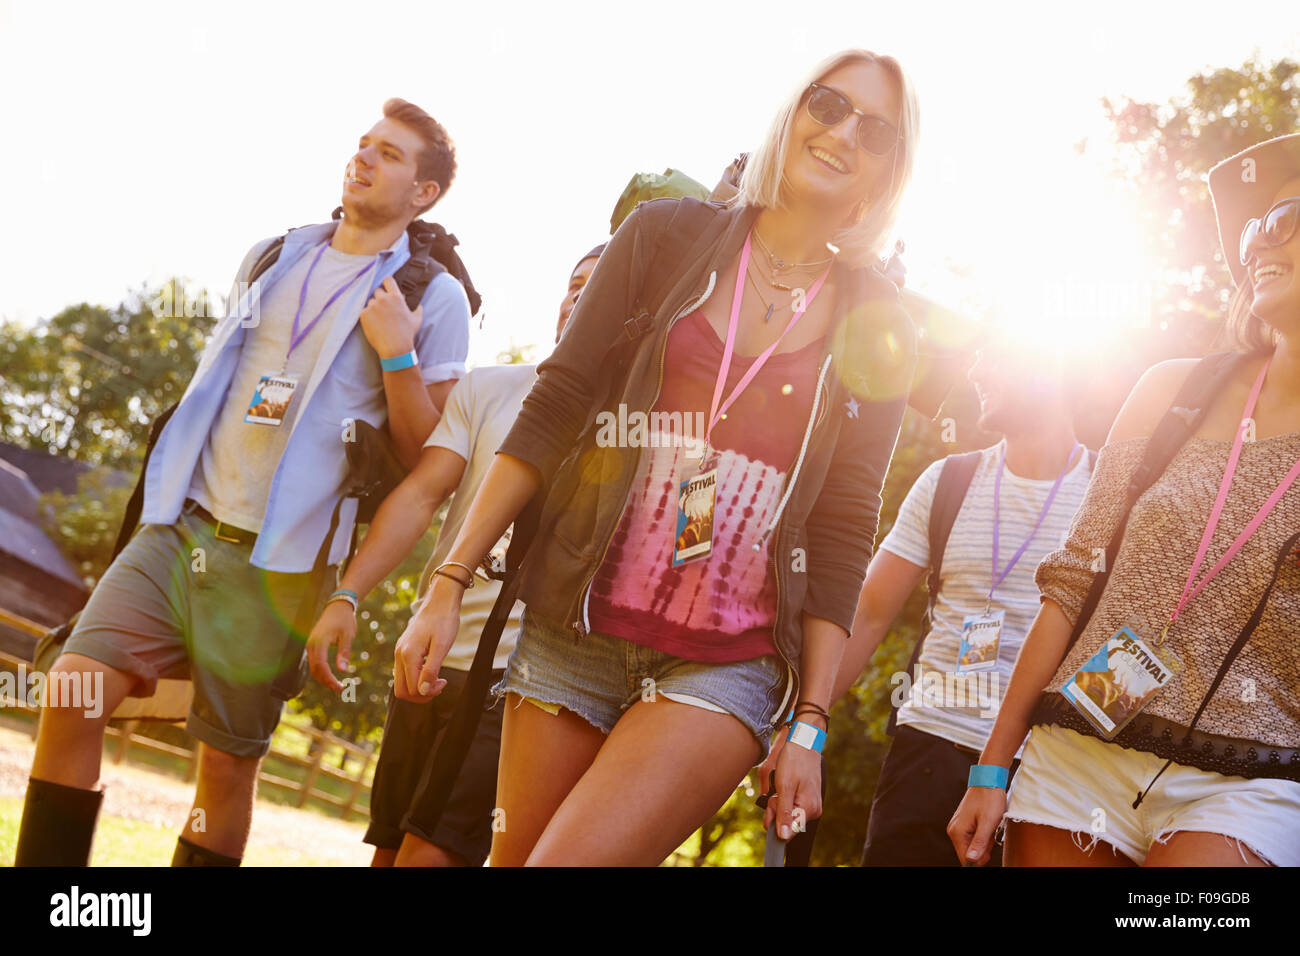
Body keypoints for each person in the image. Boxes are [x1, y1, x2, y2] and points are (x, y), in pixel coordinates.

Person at [393, 47, 920, 866]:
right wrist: (446, 582)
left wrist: (811, 720)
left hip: (729, 661)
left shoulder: (882, 319)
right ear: (794, 113)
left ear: (887, 173)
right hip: (576, 625)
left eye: (877, 130)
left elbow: (849, 521)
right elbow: (555, 407)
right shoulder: (664, 238)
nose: (845, 132)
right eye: (829, 105)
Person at [14, 98, 471, 867]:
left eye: (389, 154)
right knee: (71, 692)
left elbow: (428, 453)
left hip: (279, 570)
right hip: (180, 530)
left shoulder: (435, 296)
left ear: (424, 192)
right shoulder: (273, 254)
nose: (363, 158)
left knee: (224, 770)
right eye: (363, 144)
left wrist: (397, 353)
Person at [949, 133, 1300, 868]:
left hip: (1251, 778)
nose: (1261, 243)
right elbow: (1071, 580)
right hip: (1080, 744)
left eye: (1287, 216)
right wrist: (991, 763)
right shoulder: (1172, 391)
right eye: (1253, 228)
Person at [308, 243, 605, 867]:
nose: (580, 296)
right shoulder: (488, 389)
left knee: (431, 857)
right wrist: (346, 594)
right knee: (388, 852)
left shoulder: (636, 428)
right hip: (430, 655)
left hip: (520, 681)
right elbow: (419, 496)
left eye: (599, 287)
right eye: (574, 282)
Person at [763, 335, 1094, 866]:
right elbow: (867, 611)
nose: (976, 373)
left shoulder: (1110, 496)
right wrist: (803, 727)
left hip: (1046, 772)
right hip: (927, 753)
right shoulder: (948, 480)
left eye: (994, 352)